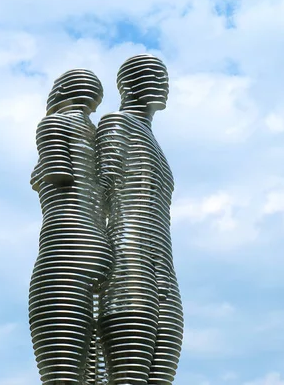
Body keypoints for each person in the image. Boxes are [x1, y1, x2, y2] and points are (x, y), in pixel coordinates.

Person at [96, 54, 184, 384]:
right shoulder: (116, 123)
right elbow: (99, 190)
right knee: (128, 369)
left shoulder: (157, 146)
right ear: (128, 84)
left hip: (163, 259)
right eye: (151, 75)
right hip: (128, 250)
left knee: (163, 365)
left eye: (164, 78)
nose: (162, 85)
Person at [29, 69, 113, 384]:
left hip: (65, 242)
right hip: (100, 244)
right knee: (94, 359)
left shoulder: (54, 123)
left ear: (60, 91)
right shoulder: (97, 137)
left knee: (62, 366)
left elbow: (59, 174)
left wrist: (37, 176)